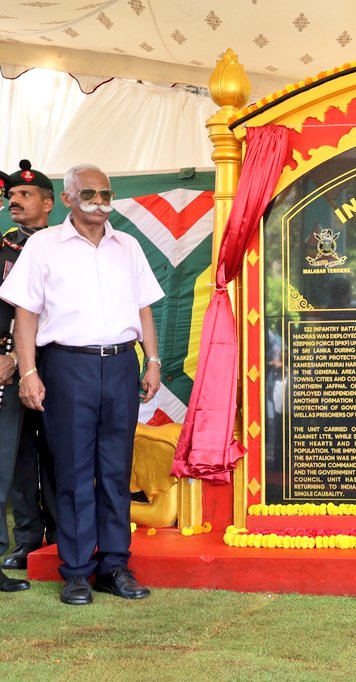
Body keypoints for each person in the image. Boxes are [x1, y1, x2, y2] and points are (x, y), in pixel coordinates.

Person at [0, 163, 164, 606]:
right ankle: (75, 570)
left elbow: (145, 307)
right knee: (72, 471)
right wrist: (29, 372)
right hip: (67, 366)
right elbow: (25, 315)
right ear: (68, 199)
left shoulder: (127, 245)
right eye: (88, 193)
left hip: (120, 364)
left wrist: (152, 360)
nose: (98, 202)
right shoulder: (44, 247)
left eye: (105, 194)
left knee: (115, 470)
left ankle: (114, 565)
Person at [0, 161, 58, 577]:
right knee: (17, 453)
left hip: (55, 360)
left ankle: (58, 538)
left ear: (48, 203)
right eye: (11, 197)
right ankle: (26, 539)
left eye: (24, 195)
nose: (13, 202)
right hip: (8, 361)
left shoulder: (64, 244)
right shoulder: (3, 246)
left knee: (57, 451)